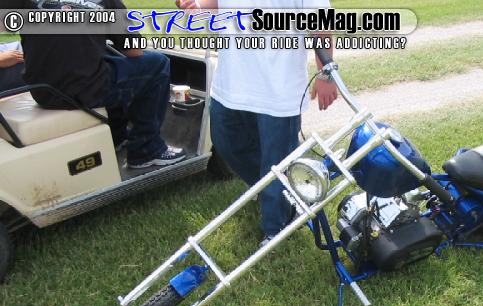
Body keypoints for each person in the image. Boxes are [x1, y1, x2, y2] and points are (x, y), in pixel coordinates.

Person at [176, 0, 338, 247]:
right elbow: (213, 5)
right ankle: (278, 191)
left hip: (279, 89)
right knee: (226, 142)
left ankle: (277, 227)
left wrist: (325, 73)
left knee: (276, 161)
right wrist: (194, 6)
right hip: (231, 84)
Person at [5, 0, 185, 169]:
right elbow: (134, 51)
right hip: (85, 90)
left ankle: (116, 136)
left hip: (43, 92)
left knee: (107, 64)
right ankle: (146, 150)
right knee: (157, 64)